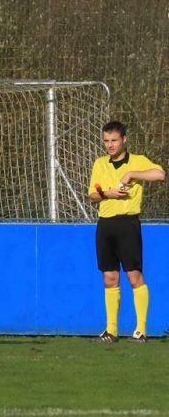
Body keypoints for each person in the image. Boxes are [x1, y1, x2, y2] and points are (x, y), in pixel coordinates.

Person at [88, 121, 164, 343]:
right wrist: (108, 194)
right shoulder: (100, 163)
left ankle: (140, 330)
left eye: (114, 140)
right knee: (109, 277)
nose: (110, 145)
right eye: (106, 141)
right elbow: (92, 195)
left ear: (124, 140)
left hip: (128, 224)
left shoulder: (137, 161)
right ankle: (111, 330)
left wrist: (132, 174)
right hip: (105, 224)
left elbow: (160, 175)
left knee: (134, 276)